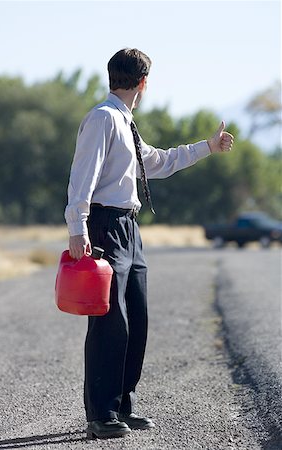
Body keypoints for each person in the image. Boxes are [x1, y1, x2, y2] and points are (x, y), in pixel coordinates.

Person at [64, 48, 234, 439]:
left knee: (136, 319)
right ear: (143, 83)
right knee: (110, 322)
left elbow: (156, 163)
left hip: (129, 228)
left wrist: (207, 146)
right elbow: (82, 177)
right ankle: (101, 414)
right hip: (105, 225)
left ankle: (123, 405)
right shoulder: (103, 119)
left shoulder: (127, 124)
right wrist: (78, 227)